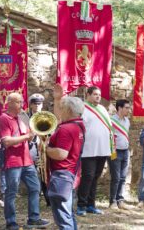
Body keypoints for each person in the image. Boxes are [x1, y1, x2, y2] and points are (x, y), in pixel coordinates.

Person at [54, 85, 113, 216]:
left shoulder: (103, 108)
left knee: (95, 177)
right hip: (88, 149)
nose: (98, 96)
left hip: (102, 149)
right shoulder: (83, 108)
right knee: (88, 177)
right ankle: (81, 205)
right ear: (88, 95)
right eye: (95, 94)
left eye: (99, 94)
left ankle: (91, 205)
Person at [0, 93, 50, 230]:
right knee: (11, 192)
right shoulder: (3, 119)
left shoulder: (22, 118)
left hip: (27, 161)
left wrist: (36, 135)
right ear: (9, 103)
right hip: (13, 162)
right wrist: (27, 136)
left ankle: (33, 218)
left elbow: (29, 138)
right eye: (18, 102)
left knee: (35, 188)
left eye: (22, 102)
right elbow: (7, 141)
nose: (22, 105)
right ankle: (11, 222)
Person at [47, 96, 85, 230]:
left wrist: (46, 148)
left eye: (62, 108)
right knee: (69, 214)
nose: (60, 111)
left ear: (68, 110)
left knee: (63, 217)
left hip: (62, 176)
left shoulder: (66, 129)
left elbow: (61, 154)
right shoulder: (79, 125)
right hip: (72, 174)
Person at [27, 93, 50, 207]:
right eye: (35, 104)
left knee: (44, 174)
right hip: (30, 149)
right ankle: (34, 197)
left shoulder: (46, 117)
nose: (37, 106)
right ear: (31, 105)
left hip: (43, 148)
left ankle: (48, 200)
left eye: (39, 104)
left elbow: (50, 133)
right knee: (32, 174)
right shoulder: (26, 118)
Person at [109, 99, 131, 210]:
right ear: (119, 108)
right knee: (116, 177)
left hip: (125, 151)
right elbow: (109, 136)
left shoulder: (127, 121)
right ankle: (112, 201)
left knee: (123, 178)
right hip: (115, 151)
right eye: (126, 107)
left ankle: (120, 200)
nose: (128, 110)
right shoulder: (111, 120)